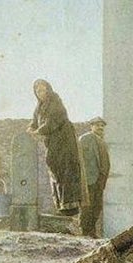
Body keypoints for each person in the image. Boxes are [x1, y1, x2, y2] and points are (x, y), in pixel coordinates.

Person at [28, 79, 84, 216]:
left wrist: (38, 131)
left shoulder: (55, 103)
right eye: (37, 90)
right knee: (55, 170)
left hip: (64, 142)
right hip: (52, 142)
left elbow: (52, 122)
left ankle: (69, 209)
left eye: (43, 89)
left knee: (65, 171)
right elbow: (35, 122)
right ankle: (61, 206)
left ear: (48, 89)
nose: (41, 93)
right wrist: (30, 127)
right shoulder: (39, 107)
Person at [78, 116, 110, 237]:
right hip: (89, 180)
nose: (100, 127)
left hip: (99, 180)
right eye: (97, 125)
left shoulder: (102, 142)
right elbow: (78, 158)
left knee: (97, 207)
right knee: (87, 206)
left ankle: (91, 231)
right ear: (91, 126)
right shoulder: (84, 139)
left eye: (102, 125)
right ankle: (85, 231)